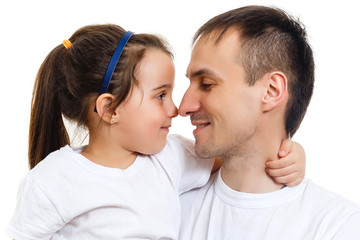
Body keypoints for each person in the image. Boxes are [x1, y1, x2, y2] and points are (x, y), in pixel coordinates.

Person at [7, 24, 305, 239]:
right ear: (110, 109)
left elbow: (236, 159)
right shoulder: (51, 182)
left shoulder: (171, 157)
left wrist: (288, 154)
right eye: (160, 95)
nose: (176, 108)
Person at [178, 5, 360, 239]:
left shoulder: (337, 227)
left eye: (206, 84)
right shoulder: (167, 204)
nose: (184, 107)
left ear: (272, 91)